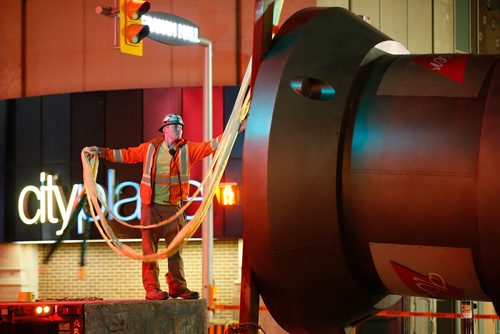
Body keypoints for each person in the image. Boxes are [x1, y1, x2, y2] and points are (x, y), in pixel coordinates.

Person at [87, 113, 220, 300]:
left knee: (175, 251)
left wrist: (233, 131)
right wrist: (101, 151)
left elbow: (211, 146)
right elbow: (126, 155)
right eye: (174, 126)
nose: (178, 129)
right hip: (151, 207)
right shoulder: (150, 148)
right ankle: (152, 289)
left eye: (180, 126)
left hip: (174, 209)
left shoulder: (187, 150)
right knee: (149, 251)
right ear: (165, 130)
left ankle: (178, 288)